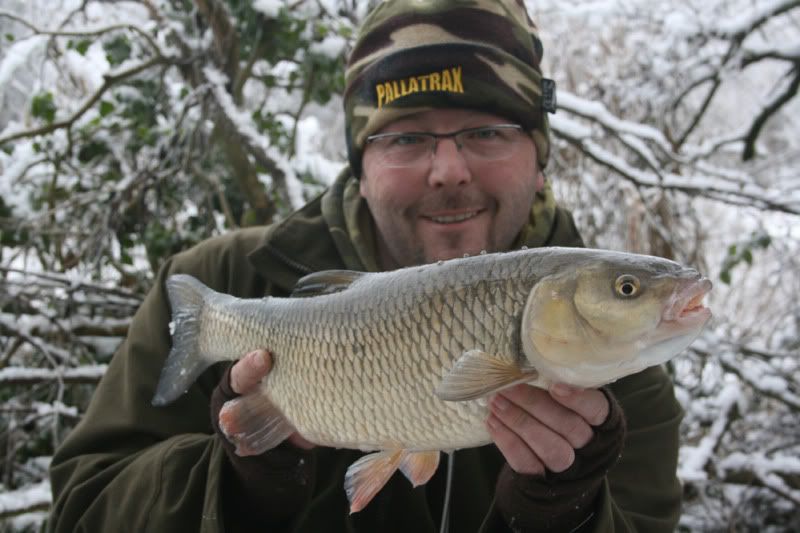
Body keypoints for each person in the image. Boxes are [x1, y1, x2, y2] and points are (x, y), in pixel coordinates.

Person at [48, 0, 684, 531]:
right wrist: (239, 485)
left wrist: (563, 515)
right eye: (406, 136)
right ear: (360, 161)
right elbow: (79, 511)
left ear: (538, 156)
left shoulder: (617, 351)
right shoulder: (226, 284)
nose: (449, 171)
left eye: (487, 131)